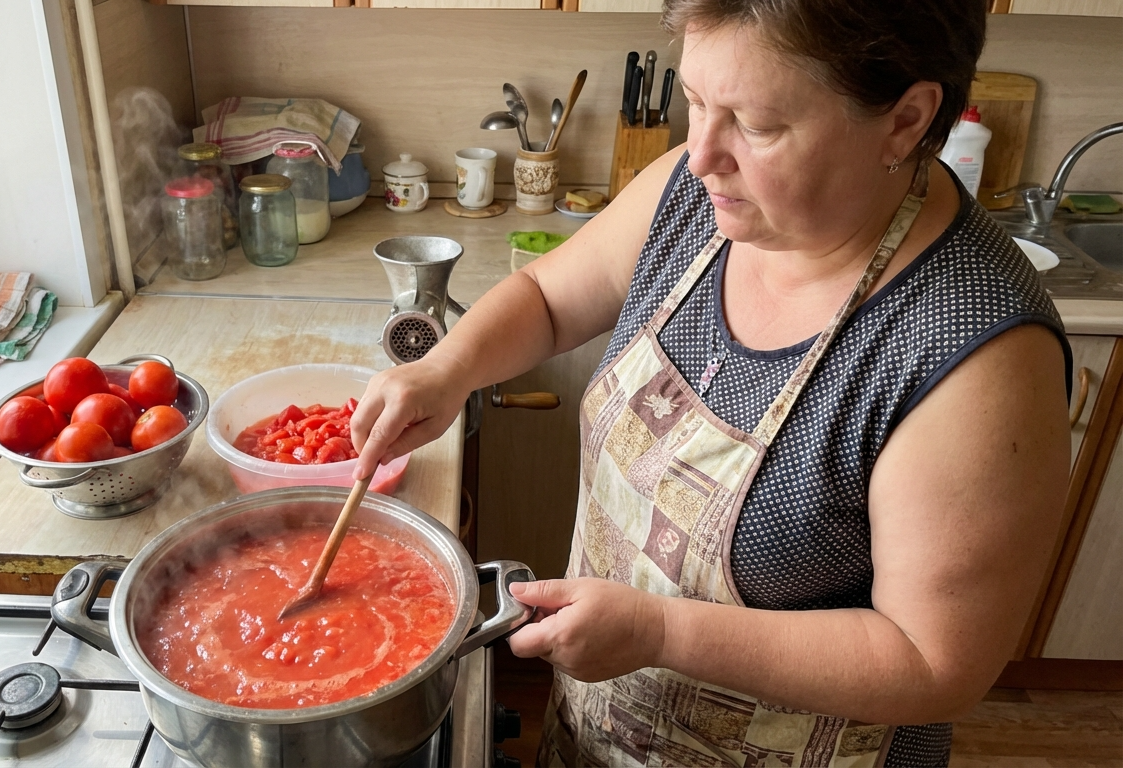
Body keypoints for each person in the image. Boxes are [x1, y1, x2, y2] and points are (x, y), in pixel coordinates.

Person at [351, 1, 1071, 765]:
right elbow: (549, 298)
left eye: (756, 125)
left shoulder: (974, 356)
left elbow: (933, 664)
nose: (700, 155)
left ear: (905, 120)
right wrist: (448, 368)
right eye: (696, 102)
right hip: (601, 729)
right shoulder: (696, 197)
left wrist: (659, 632)